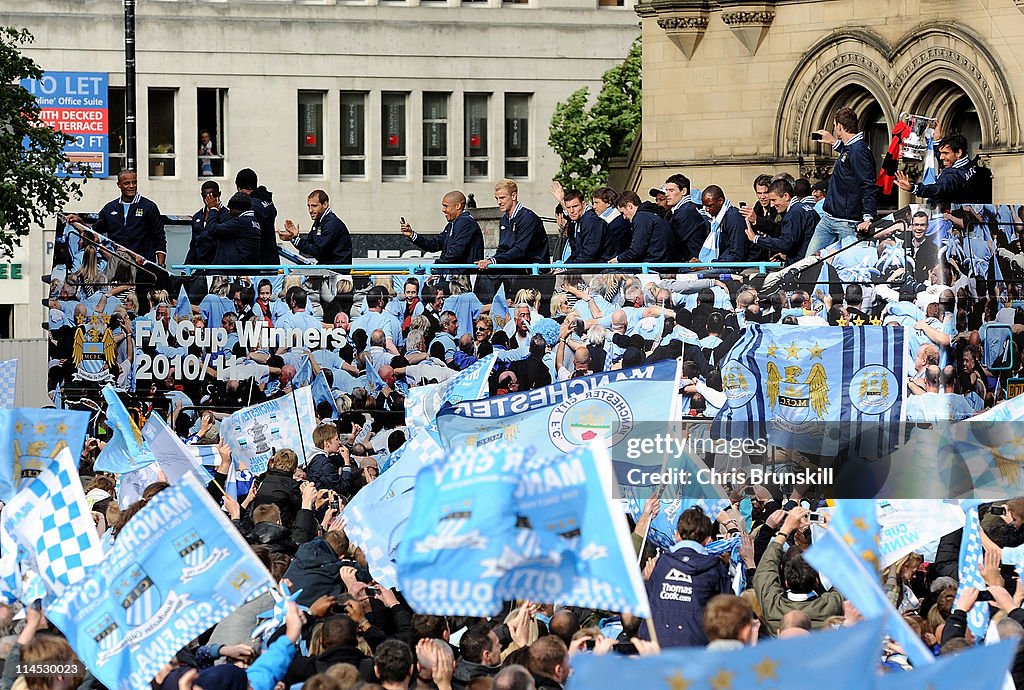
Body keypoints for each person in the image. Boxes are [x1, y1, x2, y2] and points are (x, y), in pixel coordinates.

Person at [639, 507, 730, 647]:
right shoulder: (714, 568)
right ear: (708, 540)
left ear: (677, 536)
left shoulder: (661, 564)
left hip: (654, 646)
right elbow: (731, 609)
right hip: (694, 648)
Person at [807, 107, 877, 255]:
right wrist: (834, 143)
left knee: (847, 266)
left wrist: (868, 217)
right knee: (808, 263)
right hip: (828, 219)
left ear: (839, 126)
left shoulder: (859, 150)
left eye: (834, 126)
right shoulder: (853, 147)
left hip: (847, 223)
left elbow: (868, 184)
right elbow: (848, 156)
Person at [70, 169, 166, 265]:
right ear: (119, 185)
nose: (132, 186)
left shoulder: (149, 207)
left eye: (134, 182)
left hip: (142, 266)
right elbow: (94, 232)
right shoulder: (109, 208)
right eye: (127, 183)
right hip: (117, 264)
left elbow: (160, 237)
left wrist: (161, 265)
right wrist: (80, 222)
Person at [401, 191, 484, 272]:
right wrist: (412, 235)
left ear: (458, 206)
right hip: (454, 275)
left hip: (465, 278)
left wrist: (435, 267)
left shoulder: (465, 221)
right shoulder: (452, 224)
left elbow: (456, 252)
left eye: (446, 206)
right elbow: (435, 244)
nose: (443, 210)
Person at [477, 179, 549, 271]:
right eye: (497, 198)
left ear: (513, 196)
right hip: (514, 268)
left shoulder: (528, 218)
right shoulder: (504, 220)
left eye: (502, 198)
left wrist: (494, 260)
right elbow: (502, 249)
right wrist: (490, 261)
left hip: (532, 271)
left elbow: (520, 249)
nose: (499, 202)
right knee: (484, 273)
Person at [895, 132, 984, 205]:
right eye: (941, 153)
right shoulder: (969, 164)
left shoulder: (953, 176)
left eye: (945, 153)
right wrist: (937, 140)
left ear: (958, 153)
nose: (941, 157)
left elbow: (939, 189)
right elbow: (944, 161)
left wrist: (914, 188)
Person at [744, 178, 818, 265]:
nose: (772, 204)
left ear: (786, 196)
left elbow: (785, 243)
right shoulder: (805, 209)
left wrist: (756, 239)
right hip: (810, 261)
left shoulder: (793, 214)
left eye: (774, 200)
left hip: (803, 267)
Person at [280, 189, 353, 268]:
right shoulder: (319, 221)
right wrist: (293, 237)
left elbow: (317, 250)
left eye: (314, 206)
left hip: (337, 270)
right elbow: (309, 243)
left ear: (325, 205)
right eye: (308, 206)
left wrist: (295, 239)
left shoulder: (332, 223)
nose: (310, 210)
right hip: (327, 268)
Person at [610, 191, 671, 265]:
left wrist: (617, 259)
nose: (624, 217)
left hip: (653, 264)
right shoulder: (651, 214)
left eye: (623, 213)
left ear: (629, 206)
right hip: (661, 262)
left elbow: (636, 250)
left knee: (607, 274)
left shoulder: (641, 217)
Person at [235, 167, 279, 265]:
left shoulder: (250, 206)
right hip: (271, 258)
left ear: (239, 188)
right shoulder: (267, 201)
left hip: (257, 262)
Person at [663, 174, 709, 262]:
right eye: (666, 190)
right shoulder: (681, 210)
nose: (667, 194)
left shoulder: (686, 211)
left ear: (683, 191)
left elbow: (671, 240)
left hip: (690, 264)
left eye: (671, 190)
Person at [209, 192, 262, 265]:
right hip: (246, 268)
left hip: (236, 271)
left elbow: (213, 229)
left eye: (231, 209)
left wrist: (213, 209)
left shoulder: (241, 222)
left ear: (237, 209)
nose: (229, 212)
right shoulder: (253, 221)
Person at [701, 184, 750, 263]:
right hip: (721, 261)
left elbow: (736, 255)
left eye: (710, 206)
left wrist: (709, 265)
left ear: (720, 201)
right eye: (705, 206)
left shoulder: (734, 218)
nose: (706, 210)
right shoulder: (716, 220)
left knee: (691, 275)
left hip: (737, 265)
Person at [559, 186, 607, 264]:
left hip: (597, 267)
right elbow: (576, 252)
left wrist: (567, 268)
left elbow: (589, 253)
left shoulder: (591, 220)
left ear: (583, 204)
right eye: (568, 207)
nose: (571, 211)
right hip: (586, 265)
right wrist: (564, 266)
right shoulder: (577, 221)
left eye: (575, 206)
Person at [185, 180, 227, 266]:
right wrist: (186, 266)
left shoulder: (227, 215)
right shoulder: (197, 216)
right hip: (200, 267)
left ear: (219, 194)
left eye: (213, 195)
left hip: (218, 267)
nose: (209, 200)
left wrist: (213, 209)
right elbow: (193, 245)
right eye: (206, 196)